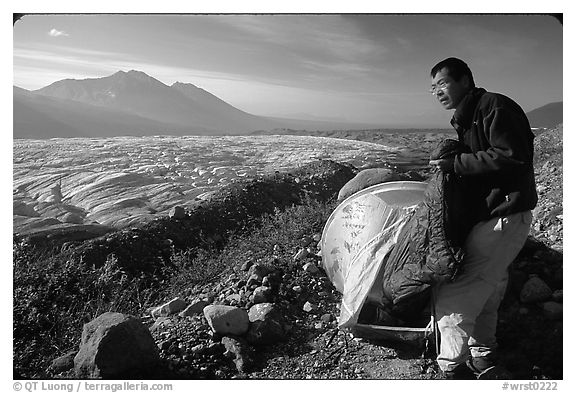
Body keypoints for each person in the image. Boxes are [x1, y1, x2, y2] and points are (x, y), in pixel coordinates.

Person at [428, 57, 538, 379]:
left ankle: (453, 367)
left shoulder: (494, 107)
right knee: (489, 289)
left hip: (504, 215)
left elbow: (512, 155)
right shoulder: (467, 117)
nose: (437, 92)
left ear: (465, 80)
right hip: (495, 216)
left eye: (442, 84)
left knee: (456, 292)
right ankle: (484, 356)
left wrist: (456, 165)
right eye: (432, 88)